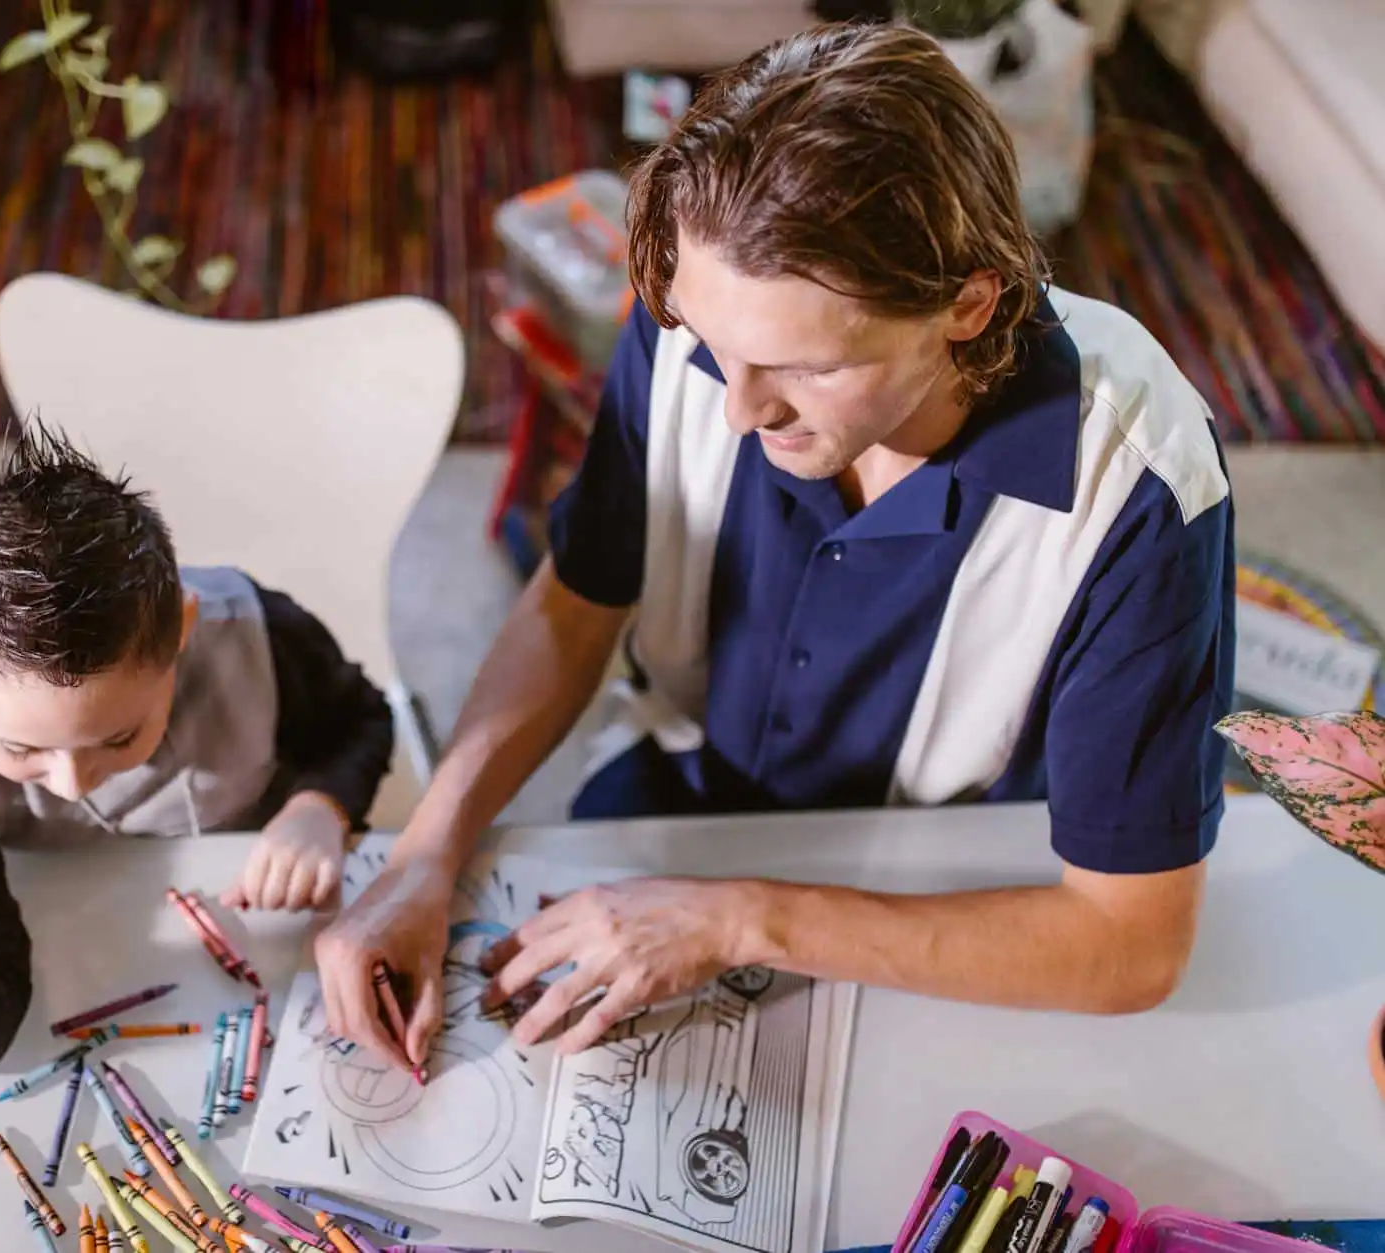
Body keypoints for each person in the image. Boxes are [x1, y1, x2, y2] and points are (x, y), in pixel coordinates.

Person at [316, 21, 1235, 1071]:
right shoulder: (701, 317)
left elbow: (1129, 945)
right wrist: (425, 852)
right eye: (715, 350)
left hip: (959, 892)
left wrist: (737, 919)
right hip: (671, 793)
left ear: (965, 304)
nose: (736, 409)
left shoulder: (1139, 486)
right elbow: (576, 602)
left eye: (800, 367)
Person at [0, 428, 393, 1072]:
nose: (71, 784)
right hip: (72, 930)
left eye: (119, 736)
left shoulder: (265, 639)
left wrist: (321, 806)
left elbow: (363, 719)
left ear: (182, 627)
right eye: (20, 746)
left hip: (260, 928)